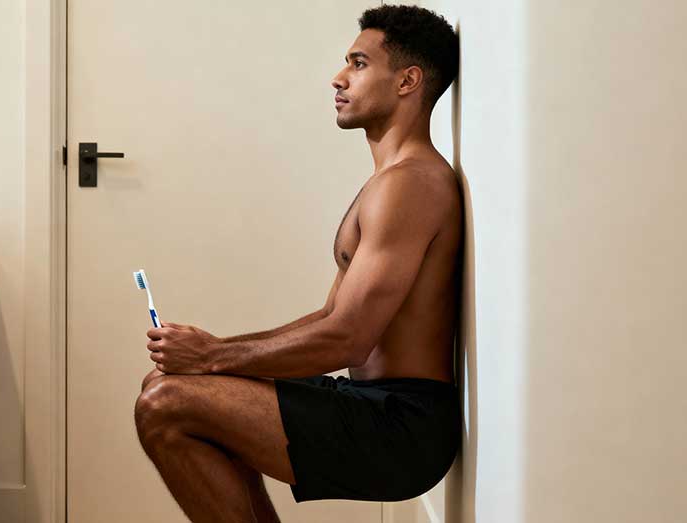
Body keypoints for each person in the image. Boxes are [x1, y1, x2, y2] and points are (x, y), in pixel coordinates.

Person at [134, 5, 462, 522]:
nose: (338, 78)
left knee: (167, 404)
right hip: (373, 402)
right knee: (166, 390)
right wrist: (215, 351)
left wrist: (212, 358)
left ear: (408, 81)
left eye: (358, 63)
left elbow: (346, 339)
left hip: (403, 426)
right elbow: (330, 318)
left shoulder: (411, 185)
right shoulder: (389, 181)